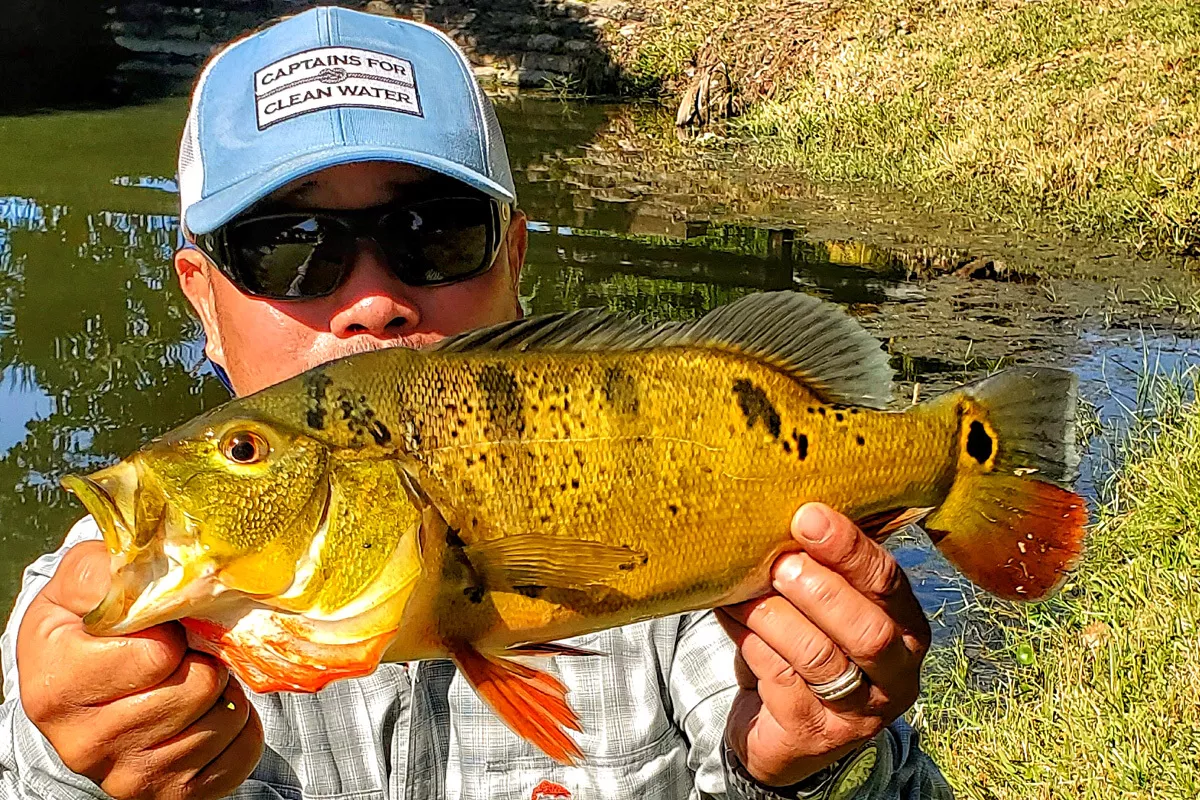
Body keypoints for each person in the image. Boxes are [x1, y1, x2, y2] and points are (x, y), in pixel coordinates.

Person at [0, 7, 953, 800]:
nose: (370, 298)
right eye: (290, 247)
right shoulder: (83, 629)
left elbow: (827, 753)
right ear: (203, 299)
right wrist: (69, 772)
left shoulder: (704, 599)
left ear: (516, 259)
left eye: (436, 230)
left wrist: (811, 764)